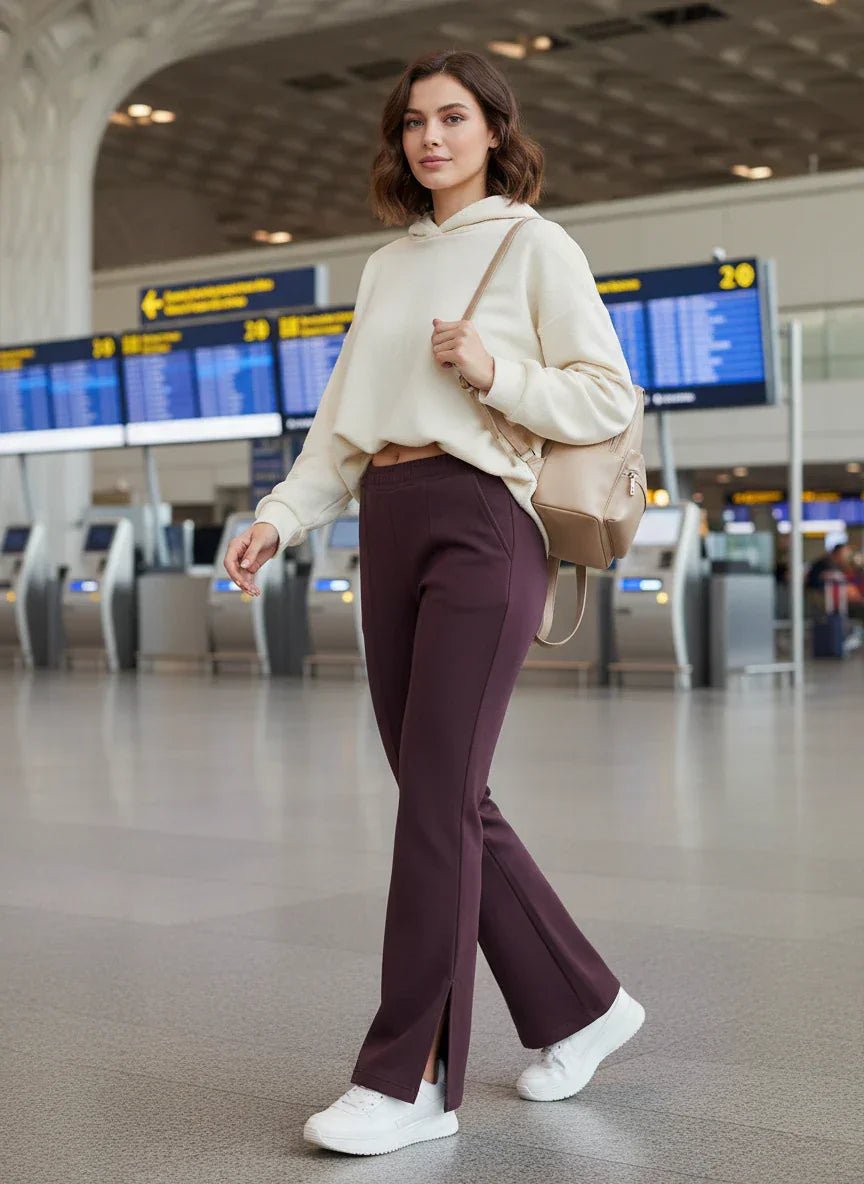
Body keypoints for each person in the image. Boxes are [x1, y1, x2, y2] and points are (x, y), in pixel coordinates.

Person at [224, 48, 645, 1158]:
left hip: (484, 520)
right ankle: (584, 1004)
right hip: (392, 513)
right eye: (414, 121)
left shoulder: (534, 243)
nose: (430, 138)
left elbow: (607, 391)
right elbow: (342, 425)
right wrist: (284, 513)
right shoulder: (384, 265)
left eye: (453, 118)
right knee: (438, 786)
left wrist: (497, 370)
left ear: (495, 131)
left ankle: (409, 1075)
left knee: (434, 798)